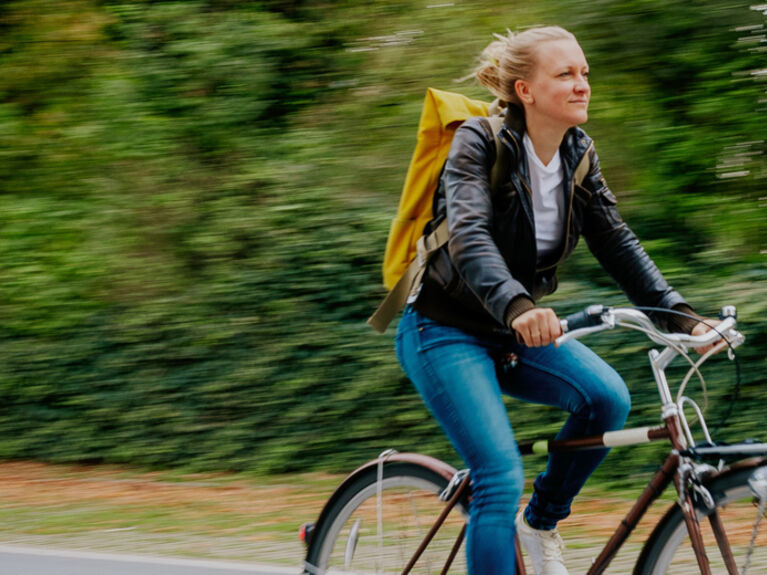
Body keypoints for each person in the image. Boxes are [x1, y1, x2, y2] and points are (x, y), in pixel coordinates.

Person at [394, 26, 714, 575]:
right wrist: (519, 306)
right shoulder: (479, 141)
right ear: (525, 90)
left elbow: (617, 243)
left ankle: (539, 524)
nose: (582, 84)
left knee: (606, 399)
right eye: (565, 74)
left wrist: (684, 319)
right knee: (498, 477)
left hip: (514, 330)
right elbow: (470, 236)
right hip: (442, 328)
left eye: (584, 72)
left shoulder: (578, 155)